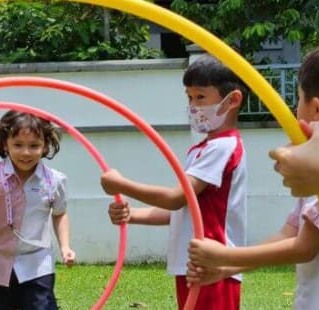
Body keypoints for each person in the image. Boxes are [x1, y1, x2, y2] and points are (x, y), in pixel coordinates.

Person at [189, 38, 319, 309]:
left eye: (298, 98)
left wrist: (223, 254)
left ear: (317, 108)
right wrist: (228, 265)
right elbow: (290, 233)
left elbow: (303, 247)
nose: (295, 109)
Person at [101, 54, 248, 309]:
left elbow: (176, 197)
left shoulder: (223, 147)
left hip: (212, 263)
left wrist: (122, 184)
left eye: (200, 97)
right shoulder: (203, 148)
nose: (193, 105)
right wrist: (132, 215)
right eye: (189, 97)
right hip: (193, 263)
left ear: (232, 100)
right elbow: (183, 211)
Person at [0, 110, 75, 310]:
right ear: (5, 144)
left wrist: (65, 247)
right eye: (18, 145)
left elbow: (60, 214)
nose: (26, 152)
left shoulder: (54, 180)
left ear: (45, 146)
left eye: (34, 145)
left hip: (38, 261)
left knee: (41, 306)